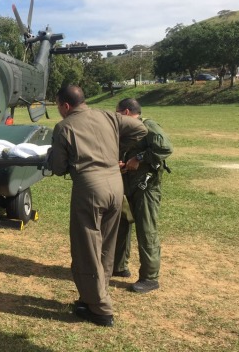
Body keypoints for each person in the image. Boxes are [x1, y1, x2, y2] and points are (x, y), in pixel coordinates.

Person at [48, 86, 147, 327]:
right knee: (105, 244)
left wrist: (54, 155)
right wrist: (116, 146)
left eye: (59, 106)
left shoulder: (65, 127)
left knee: (86, 247)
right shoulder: (107, 116)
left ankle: (101, 309)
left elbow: (58, 167)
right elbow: (141, 128)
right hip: (115, 185)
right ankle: (92, 297)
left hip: (90, 189)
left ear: (66, 106)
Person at [113, 98, 173, 293]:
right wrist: (124, 163)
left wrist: (139, 158)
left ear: (128, 112)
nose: (117, 117)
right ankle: (119, 266)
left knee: (146, 231)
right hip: (128, 185)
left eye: (118, 113)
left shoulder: (148, 126)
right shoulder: (128, 131)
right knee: (122, 224)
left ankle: (150, 278)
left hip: (146, 188)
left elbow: (164, 148)